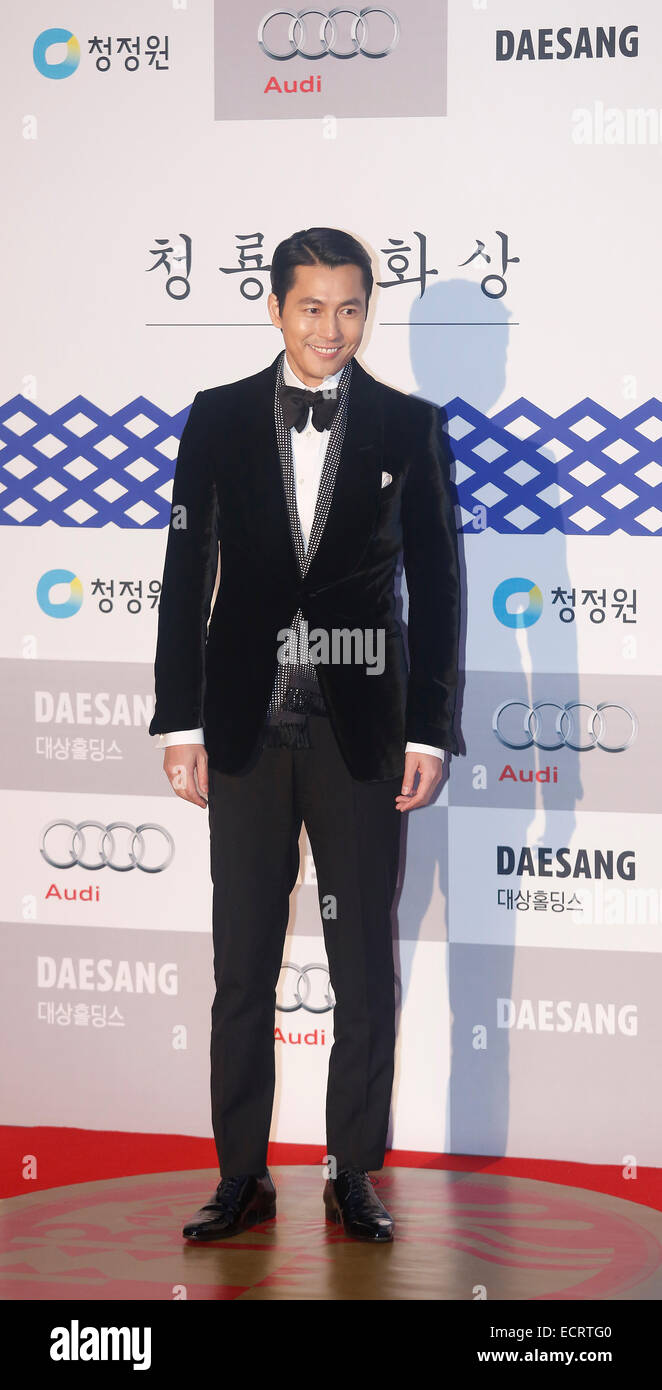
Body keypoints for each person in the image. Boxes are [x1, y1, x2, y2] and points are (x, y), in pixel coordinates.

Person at [148, 227, 461, 1242]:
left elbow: (442, 588)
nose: (332, 329)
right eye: (312, 308)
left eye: (350, 308)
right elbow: (184, 577)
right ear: (275, 308)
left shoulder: (408, 428)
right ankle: (241, 1176)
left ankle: (348, 1170)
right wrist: (180, 718)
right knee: (240, 963)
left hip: (359, 731)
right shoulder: (218, 418)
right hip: (241, 727)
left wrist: (430, 727)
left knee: (362, 962)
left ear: (367, 311)